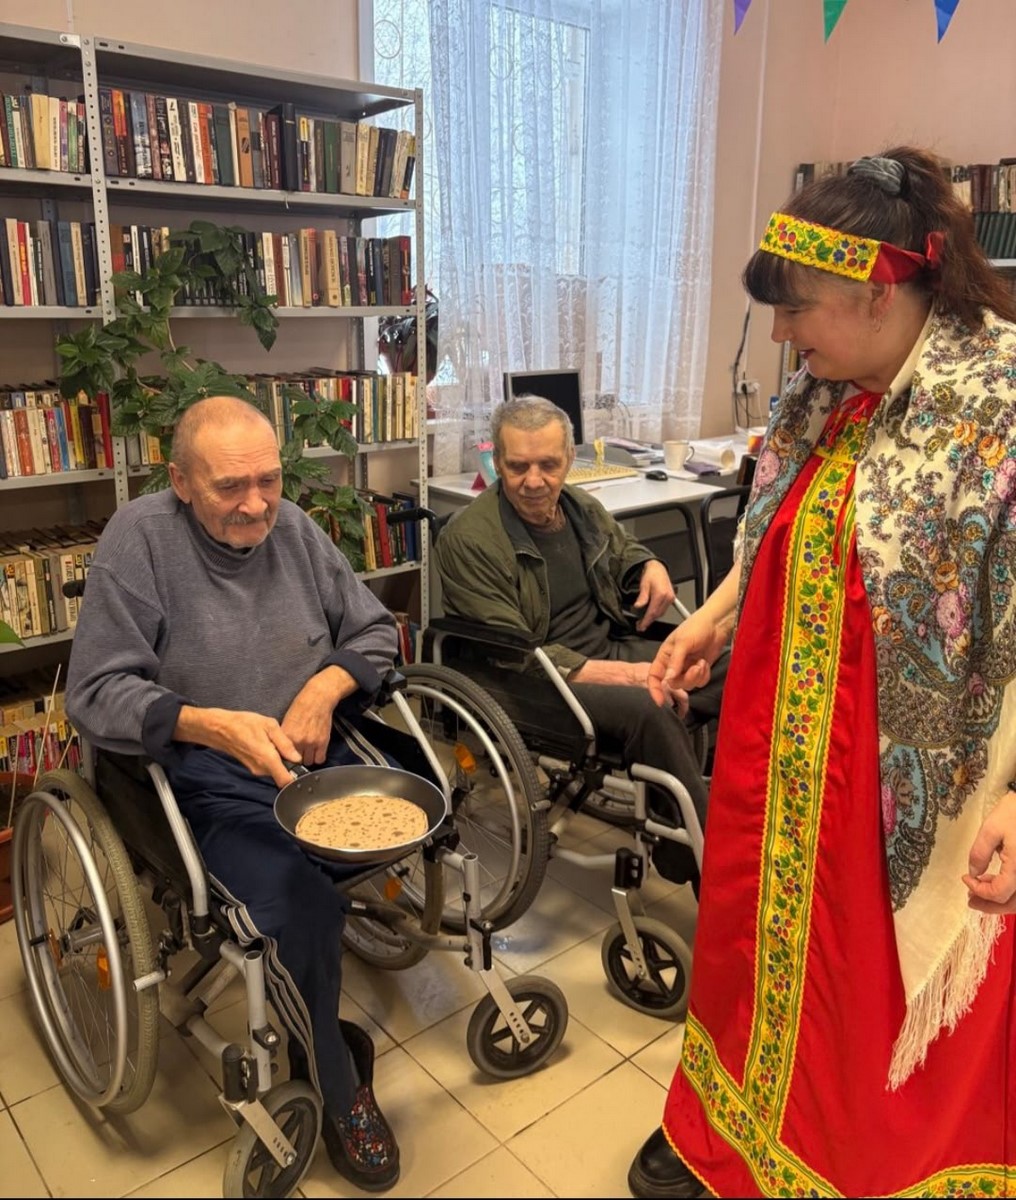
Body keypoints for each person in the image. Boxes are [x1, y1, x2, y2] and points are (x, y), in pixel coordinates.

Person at [628, 146, 1016, 1199]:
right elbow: (776, 525)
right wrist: (714, 614)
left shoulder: (999, 405)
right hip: (778, 751)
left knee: (862, 989)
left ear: (877, 290)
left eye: (796, 308)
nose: (781, 334)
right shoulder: (822, 388)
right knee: (751, 945)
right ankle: (726, 1123)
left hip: (899, 781)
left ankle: (851, 1170)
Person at [65, 395, 404, 1192]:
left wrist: (322, 688)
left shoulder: (295, 531)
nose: (256, 504)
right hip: (200, 775)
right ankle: (335, 1075)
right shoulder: (139, 542)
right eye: (230, 487)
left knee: (417, 816)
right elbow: (95, 693)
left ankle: (314, 991)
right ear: (181, 481)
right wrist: (210, 726)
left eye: (269, 480)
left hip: (310, 752)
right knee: (299, 909)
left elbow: (374, 629)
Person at [433, 393, 725, 882]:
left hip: (607, 646)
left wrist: (649, 564)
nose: (534, 481)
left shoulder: (577, 506)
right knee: (651, 705)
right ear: (497, 462)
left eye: (548, 465)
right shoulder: (468, 539)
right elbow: (517, 651)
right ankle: (701, 862)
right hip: (536, 683)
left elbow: (623, 547)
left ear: (570, 458)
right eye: (518, 466)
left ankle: (719, 800)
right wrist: (632, 676)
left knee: (736, 664)